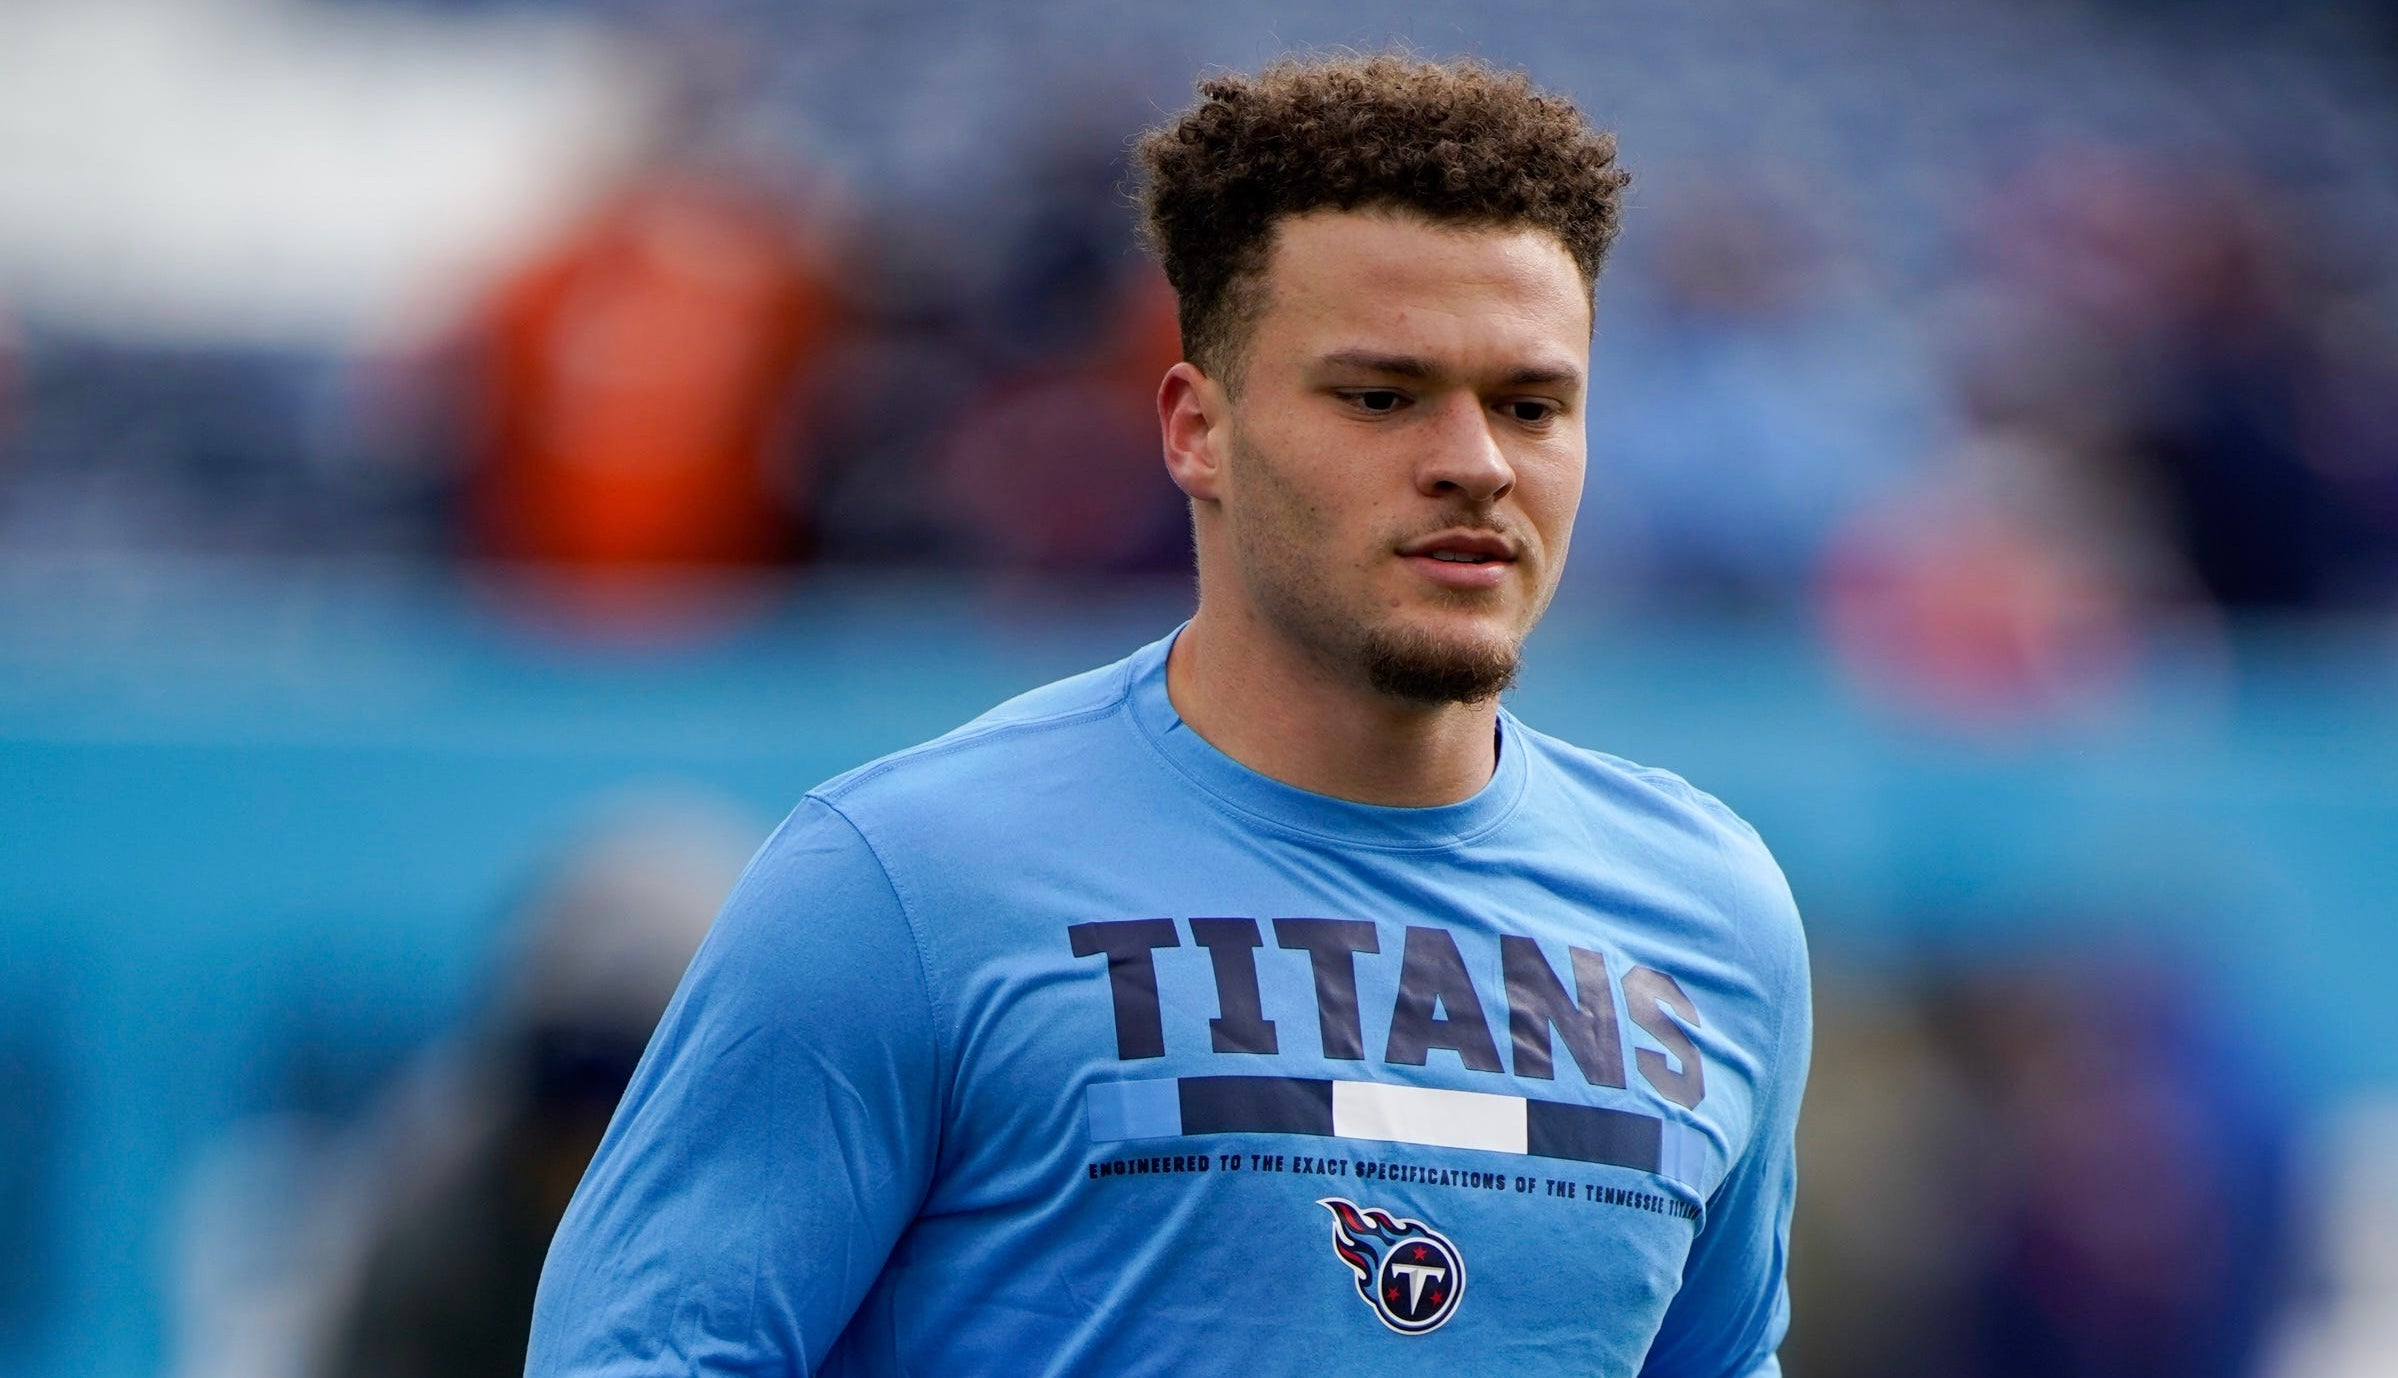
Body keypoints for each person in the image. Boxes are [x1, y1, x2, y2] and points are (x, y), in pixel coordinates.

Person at [528, 53, 1811, 1376]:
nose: (1475, 463)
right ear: (1198, 428)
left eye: (1530, 405)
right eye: (1380, 396)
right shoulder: (901, 881)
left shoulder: (1712, 914)